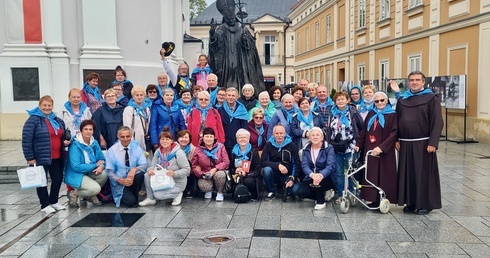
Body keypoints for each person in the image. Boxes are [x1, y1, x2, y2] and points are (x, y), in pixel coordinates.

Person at [392, 71, 443, 215]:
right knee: (408, 174)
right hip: (405, 143)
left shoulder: (431, 98)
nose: (414, 82)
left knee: (423, 174)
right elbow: (396, 120)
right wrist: (396, 139)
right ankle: (411, 202)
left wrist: (433, 142)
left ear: (423, 82)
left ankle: (425, 204)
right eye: (411, 80)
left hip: (424, 143)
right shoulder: (403, 100)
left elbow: (437, 121)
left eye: (417, 80)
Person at [22, 95, 69, 214]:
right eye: (44, 105)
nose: (47, 108)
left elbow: (62, 135)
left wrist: (66, 141)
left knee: (57, 179)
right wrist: (30, 157)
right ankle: (44, 204)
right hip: (40, 156)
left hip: (57, 156)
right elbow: (27, 139)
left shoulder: (57, 120)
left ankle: (54, 201)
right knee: (42, 181)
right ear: (40, 106)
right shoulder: (33, 120)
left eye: (49, 105)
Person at [209, 0, 266, 94]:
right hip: (226, 61)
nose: (231, 21)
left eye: (232, 19)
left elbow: (251, 47)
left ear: (235, 17)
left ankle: (243, 94)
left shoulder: (242, 28)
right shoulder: (221, 29)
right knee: (226, 80)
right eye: (228, 19)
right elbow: (215, 45)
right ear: (225, 19)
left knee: (243, 77)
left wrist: (245, 40)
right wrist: (212, 32)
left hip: (241, 60)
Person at [354, 92, 398, 208]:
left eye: (382, 100)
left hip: (385, 151)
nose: (379, 103)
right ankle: (373, 199)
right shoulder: (371, 113)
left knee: (384, 174)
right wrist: (359, 144)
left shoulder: (392, 114)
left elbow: (394, 133)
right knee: (371, 173)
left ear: (386, 100)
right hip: (370, 149)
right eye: (376, 101)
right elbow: (364, 131)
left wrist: (381, 147)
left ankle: (383, 198)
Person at [325, 92, 362, 204]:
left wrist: (358, 144)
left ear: (347, 100)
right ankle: (341, 194)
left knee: (350, 171)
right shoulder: (332, 113)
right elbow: (329, 130)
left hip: (350, 146)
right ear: (335, 102)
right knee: (340, 172)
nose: (340, 101)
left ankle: (352, 193)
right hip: (336, 147)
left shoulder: (353, 112)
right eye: (338, 99)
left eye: (342, 99)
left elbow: (361, 127)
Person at [139, 128, 190, 206]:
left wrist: (174, 173)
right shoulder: (158, 151)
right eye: (162, 139)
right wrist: (150, 169)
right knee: (147, 175)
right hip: (164, 179)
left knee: (158, 195)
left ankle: (178, 193)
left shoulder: (178, 153)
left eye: (167, 139)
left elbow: (187, 169)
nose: (164, 141)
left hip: (176, 182)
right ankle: (150, 198)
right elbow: (152, 165)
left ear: (172, 141)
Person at [65, 120, 108, 207]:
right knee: (96, 189)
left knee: (105, 174)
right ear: (81, 130)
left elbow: (101, 158)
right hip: (77, 174)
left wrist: (102, 166)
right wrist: (96, 165)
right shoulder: (75, 145)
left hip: (89, 171)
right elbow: (76, 166)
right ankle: (74, 193)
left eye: (90, 129)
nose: (88, 132)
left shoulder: (94, 142)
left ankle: (90, 194)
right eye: (85, 129)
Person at [105, 126, 148, 207]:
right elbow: (109, 171)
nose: (125, 139)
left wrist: (134, 169)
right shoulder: (112, 150)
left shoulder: (136, 147)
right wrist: (120, 180)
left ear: (131, 136)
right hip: (119, 182)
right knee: (131, 202)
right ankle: (123, 195)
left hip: (132, 178)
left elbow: (144, 164)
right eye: (122, 137)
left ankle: (133, 193)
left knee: (140, 174)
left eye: (128, 136)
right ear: (118, 137)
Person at [297, 127, 336, 210]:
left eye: (317, 135)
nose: (315, 137)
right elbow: (304, 165)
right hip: (311, 176)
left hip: (326, 176)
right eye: (313, 135)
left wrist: (320, 175)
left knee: (319, 183)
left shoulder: (329, 148)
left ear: (322, 137)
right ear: (309, 137)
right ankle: (323, 194)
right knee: (300, 192)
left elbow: (330, 166)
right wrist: (312, 175)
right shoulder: (305, 149)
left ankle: (321, 201)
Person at [261, 124, 301, 201]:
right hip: (273, 174)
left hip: (287, 175)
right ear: (273, 134)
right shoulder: (268, 145)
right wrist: (278, 165)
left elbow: (296, 163)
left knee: (296, 190)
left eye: (281, 133)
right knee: (266, 170)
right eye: (277, 133)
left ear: (285, 134)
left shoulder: (291, 145)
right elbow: (263, 162)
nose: (279, 136)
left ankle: (283, 187)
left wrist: (292, 178)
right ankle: (271, 191)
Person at [191, 127, 230, 201]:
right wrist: (202, 173)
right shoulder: (198, 149)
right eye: (207, 136)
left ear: (214, 137)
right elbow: (194, 166)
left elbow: (226, 161)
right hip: (205, 173)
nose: (209, 139)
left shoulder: (220, 147)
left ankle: (219, 192)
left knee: (220, 175)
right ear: (203, 137)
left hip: (218, 171)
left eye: (211, 136)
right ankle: (209, 190)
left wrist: (216, 168)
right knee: (204, 186)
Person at [217, 87, 248, 164]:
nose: (231, 97)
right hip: (225, 140)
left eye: (233, 96)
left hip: (238, 141)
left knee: (238, 163)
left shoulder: (242, 109)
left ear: (237, 97)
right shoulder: (220, 110)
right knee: (227, 162)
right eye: (229, 95)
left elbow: (244, 127)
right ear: (226, 96)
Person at [230, 129, 262, 201]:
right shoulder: (232, 151)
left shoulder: (254, 151)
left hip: (251, 176)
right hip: (236, 175)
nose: (243, 139)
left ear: (248, 139)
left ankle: (253, 194)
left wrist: (246, 174)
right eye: (240, 137)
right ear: (237, 139)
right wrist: (235, 170)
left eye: (245, 137)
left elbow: (257, 169)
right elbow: (230, 167)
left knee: (248, 181)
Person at [123, 85, 152, 151]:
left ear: (144, 96)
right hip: (134, 139)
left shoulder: (146, 109)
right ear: (133, 97)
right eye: (137, 95)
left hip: (144, 138)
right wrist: (131, 140)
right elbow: (127, 126)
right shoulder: (129, 109)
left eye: (141, 95)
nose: (139, 97)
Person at [176, 130, 197, 198]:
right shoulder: (173, 147)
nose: (184, 139)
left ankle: (189, 189)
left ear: (189, 139)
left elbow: (194, 162)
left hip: (188, 170)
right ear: (178, 139)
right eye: (181, 137)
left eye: (186, 137)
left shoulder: (193, 149)